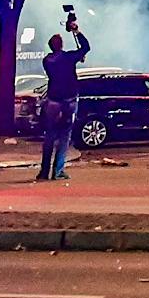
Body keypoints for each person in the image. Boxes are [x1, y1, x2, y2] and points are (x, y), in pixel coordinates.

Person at [35, 11, 90, 183]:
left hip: (52, 101)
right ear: (61, 44)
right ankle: (58, 171)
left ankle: (44, 171)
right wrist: (76, 31)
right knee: (65, 136)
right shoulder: (67, 58)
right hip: (68, 100)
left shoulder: (47, 60)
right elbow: (86, 47)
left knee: (50, 136)